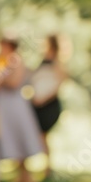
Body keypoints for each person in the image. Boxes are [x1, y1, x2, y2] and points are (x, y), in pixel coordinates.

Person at [0, 35, 45, 182]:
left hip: (14, 106)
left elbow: (14, 82)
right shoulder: (1, 60)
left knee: (20, 142)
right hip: (5, 106)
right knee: (12, 142)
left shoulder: (14, 60)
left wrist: (0, 80)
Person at [31, 35, 66, 170]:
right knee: (41, 135)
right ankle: (47, 166)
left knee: (43, 135)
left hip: (49, 104)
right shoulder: (43, 60)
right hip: (38, 103)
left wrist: (43, 98)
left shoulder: (57, 62)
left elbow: (60, 84)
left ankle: (48, 167)